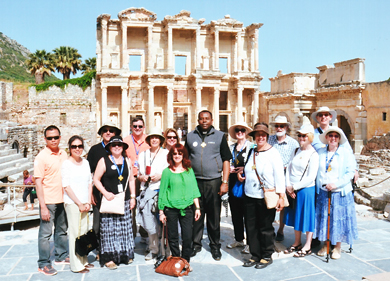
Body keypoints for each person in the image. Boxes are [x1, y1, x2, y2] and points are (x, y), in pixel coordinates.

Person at [185, 110, 232, 261]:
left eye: (207, 118)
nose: (204, 121)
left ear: (212, 120)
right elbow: (186, 158)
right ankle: (196, 244)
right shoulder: (190, 136)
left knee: (213, 216)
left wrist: (225, 182)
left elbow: (226, 160)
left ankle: (215, 245)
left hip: (213, 181)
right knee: (196, 214)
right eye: (201, 118)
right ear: (198, 120)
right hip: (195, 181)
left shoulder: (219, 136)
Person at [310, 106, 358, 249]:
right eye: (321, 115)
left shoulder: (343, 148)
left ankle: (336, 246)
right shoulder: (315, 139)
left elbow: (350, 158)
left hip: (338, 188)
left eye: (326, 115)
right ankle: (323, 242)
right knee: (324, 217)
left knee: (338, 218)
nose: (333, 138)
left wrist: (355, 170)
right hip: (322, 187)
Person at [239, 122, 285, 269]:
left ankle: (266, 255)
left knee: (265, 227)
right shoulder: (252, 151)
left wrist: (281, 196)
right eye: (258, 135)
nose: (260, 137)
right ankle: (255, 254)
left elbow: (279, 176)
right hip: (250, 195)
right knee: (251, 226)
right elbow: (250, 168)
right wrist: (242, 173)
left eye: (263, 135)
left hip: (266, 196)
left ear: (266, 136)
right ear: (254, 137)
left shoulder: (273, 153)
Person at [93, 136, 136, 269]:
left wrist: (133, 197)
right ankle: (109, 258)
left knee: (124, 229)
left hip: (124, 199)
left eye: (119, 145)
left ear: (123, 147)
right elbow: (96, 179)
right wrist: (105, 193)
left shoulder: (127, 160)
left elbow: (131, 180)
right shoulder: (104, 160)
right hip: (110, 199)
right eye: (113, 145)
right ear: (109, 148)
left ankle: (123, 255)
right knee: (109, 230)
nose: (116, 147)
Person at [158, 144, 201, 264]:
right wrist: (161, 211)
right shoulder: (167, 172)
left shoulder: (189, 170)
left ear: (184, 155)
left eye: (180, 153)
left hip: (186, 208)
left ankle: (185, 261)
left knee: (187, 237)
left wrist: (197, 207)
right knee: (173, 237)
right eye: (174, 154)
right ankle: (176, 260)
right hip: (171, 209)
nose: (177, 156)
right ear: (171, 156)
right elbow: (162, 192)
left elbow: (194, 189)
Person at [35, 125, 69, 276]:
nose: (53, 140)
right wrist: (43, 206)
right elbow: (38, 182)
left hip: (62, 199)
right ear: (45, 139)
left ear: (60, 138)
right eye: (50, 138)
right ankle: (43, 263)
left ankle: (61, 256)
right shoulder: (41, 157)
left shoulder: (63, 154)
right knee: (45, 234)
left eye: (56, 137)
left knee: (61, 231)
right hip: (48, 201)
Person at [283, 119, 319, 257]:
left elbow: (311, 177)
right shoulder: (296, 150)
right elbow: (289, 168)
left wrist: (294, 187)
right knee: (296, 216)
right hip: (292, 188)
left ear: (309, 137)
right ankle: (296, 242)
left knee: (307, 217)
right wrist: (288, 186)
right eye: (300, 135)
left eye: (304, 136)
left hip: (305, 189)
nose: (301, 138)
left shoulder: (313, 154)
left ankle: (308, 245)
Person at [87, 122, 121, 261]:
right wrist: (90, 193)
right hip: (99, 192)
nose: (108, 133)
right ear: (101, 133)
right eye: (105, 130)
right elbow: (88, 173)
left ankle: (114, 248)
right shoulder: (95, 150)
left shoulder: (118, 148)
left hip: (115, 192)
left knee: (114, 222)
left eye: (111, 131)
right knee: (98, 223)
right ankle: (100, 249)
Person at [62, 136, 94, 273]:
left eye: (80, 146)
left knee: (84, 232)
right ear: (69, 148)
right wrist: (79, 203)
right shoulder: (66, 164)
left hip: (84, 202)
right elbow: (66, 186)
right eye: (74, 146)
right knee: (75, 233)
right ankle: (75, 265)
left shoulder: (85, 162)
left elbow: (89, 183)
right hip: (73, 202)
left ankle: (83, 260)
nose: (77, 149)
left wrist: (88, 201)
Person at [137, 127, 169, 260]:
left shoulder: (166, 153)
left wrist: (161, 175)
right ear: (149, 140)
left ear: (161, 140)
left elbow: (170, 170)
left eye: (157, 137)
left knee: (163, 222)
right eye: (152, 137)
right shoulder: (143, 154)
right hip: (148, 190)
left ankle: (164, 249)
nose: (154, 140)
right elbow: (139, 173)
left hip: (162, 190)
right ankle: (153, 248)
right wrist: (142, 177)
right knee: (149, 222)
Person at [268, 115, 299, 242]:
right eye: (277, 126)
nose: (279, 128)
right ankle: (269, 228)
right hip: (270, 177)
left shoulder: (293, 143)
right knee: (269, 202)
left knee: (283, 205)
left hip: (285, 177)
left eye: (281, 126)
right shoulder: (269, 140)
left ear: (286, 127)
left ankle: (280, 229)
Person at [226, 122, 253, 254]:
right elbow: (227, 161)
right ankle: (238, 238)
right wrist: (230, 169)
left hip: (245, 181)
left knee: (247, 214)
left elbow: (253, 164)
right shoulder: (231, 147)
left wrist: (244, 170)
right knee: (235, 212)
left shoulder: (251, 147)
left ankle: (249, 242)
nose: (240, 132)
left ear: (246, 132)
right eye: (237, 130)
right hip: (233, 181)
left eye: (242, 130)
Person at [124, 117, 150, 241]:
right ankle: (132, 234)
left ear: (144, 127)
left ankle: (145, 234)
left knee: (145, 207)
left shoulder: (149, 140)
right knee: (131, 207)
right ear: (131, 127)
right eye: (135, 126)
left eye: (140, 126)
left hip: (145, 178)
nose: (137, 128)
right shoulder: (126, 141)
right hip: (131, 178)